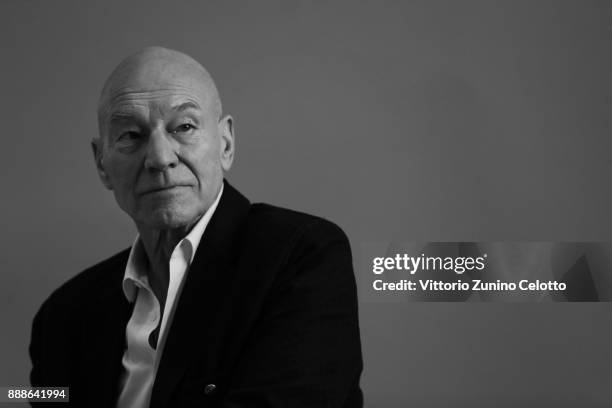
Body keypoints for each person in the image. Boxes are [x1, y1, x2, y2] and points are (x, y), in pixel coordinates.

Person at [29, 46, 363, 408]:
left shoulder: (300, 257)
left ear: (226, 143)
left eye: (184, 127)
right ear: (101, 164)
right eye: (130, 135)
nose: (159, 158)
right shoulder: (62, 316)